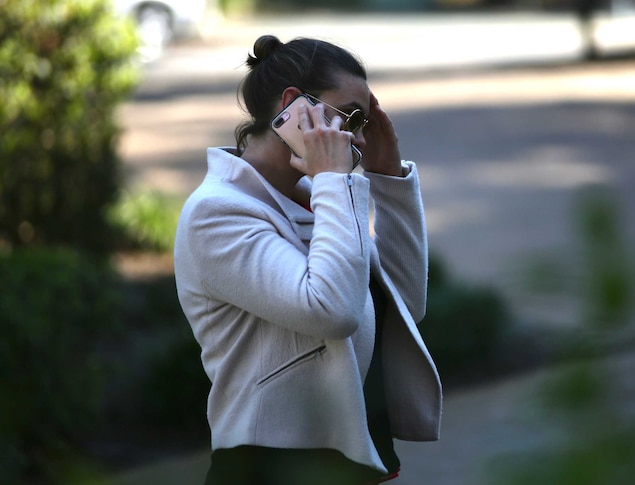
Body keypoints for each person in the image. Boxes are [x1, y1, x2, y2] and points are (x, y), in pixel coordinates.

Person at [173, 35, 442, 484]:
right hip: (274, 465)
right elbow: (331, 311)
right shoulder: (216, 212)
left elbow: (403, 306)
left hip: (351, 454)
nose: (358, 137)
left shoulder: (316, 197)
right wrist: (336, 182)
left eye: (365, 122)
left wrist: (389, 181)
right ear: (295, 105)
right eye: (351, 117)